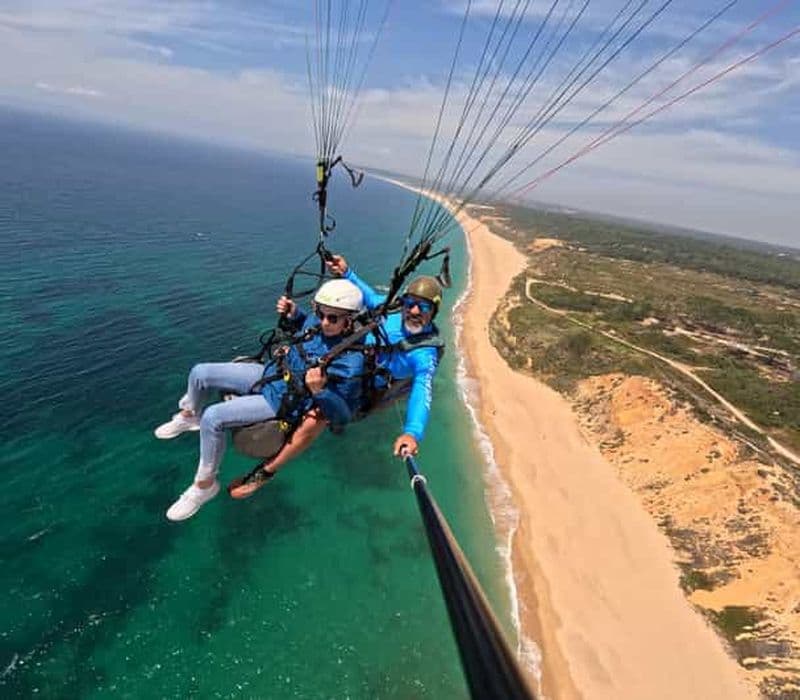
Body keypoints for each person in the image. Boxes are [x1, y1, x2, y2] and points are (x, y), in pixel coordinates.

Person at [155, 278, 365, 520]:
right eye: (320, 312)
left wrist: (321, 391)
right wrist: (294, 313)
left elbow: (343, 415)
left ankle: (204, 485)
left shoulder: (350, 362)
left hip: (282, 401)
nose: (323, 321)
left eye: (333, 318)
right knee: (200, 372)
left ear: (350, 321)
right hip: (270, 374)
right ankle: (188, 415)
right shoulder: (317, 323)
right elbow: (304, 323)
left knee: (213, 417)